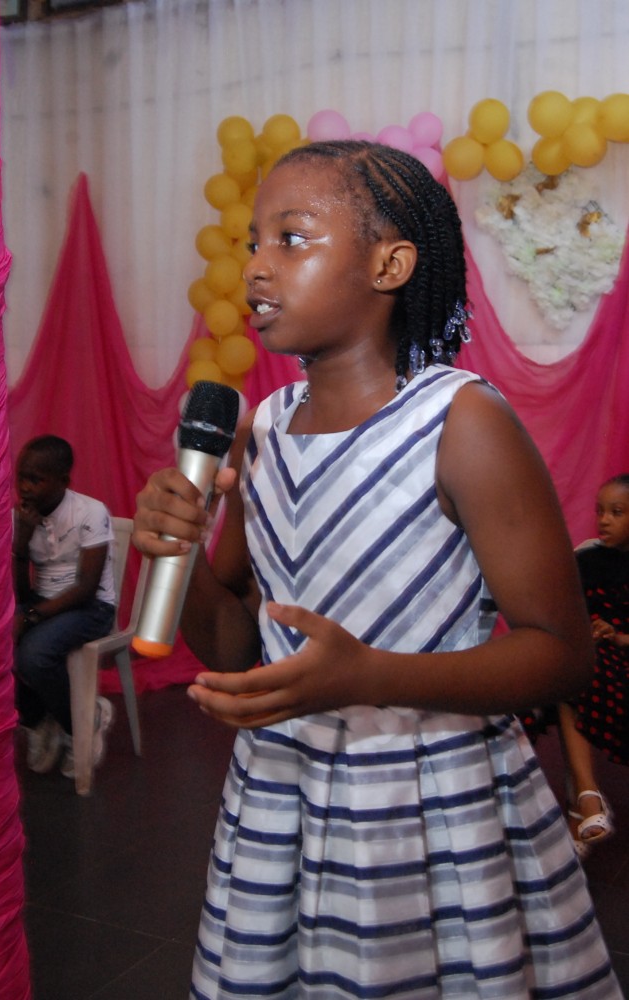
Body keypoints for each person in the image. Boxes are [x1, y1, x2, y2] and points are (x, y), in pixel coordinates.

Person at [134, 142, 621, 998]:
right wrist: (183, 559)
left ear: (389, 265)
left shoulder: (460, 423)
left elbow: (561, 653)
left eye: (292, 239)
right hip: (282, 795)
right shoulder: (264, 430)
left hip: (429, 801)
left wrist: (368, 675)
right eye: (252, 242)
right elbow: (240, 645)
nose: (256, 267)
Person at [13, 434, 116, 778]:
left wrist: (31, 617)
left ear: (63, 481)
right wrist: (21, 544)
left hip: (91, 608)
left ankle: (82, 725)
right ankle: (38, 721)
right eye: (21, 477)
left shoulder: (90, 512)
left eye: (35, 479)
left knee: (33, 655)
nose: (25, 487)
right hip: (42, 603)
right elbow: (22, 592)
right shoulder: (22, 518)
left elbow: (86, 589)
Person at [557, 473, 629, 859]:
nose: (604, 520)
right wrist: (587, 629)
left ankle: (580, 807)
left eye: (616, 512)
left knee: (583, 675)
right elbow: (562, 610)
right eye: (600, 511)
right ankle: (587, 797)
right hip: (594, 657)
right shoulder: (586, 556)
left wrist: (618, 637)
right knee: (571, 672)